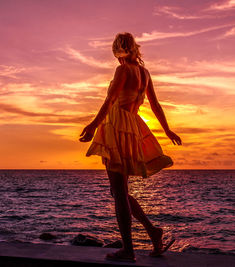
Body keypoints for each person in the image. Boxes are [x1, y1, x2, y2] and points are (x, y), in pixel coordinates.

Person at [79, 32, 182, 262]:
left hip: (117, 127)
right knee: (119, 191)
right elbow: (155, 105)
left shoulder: (123, 69)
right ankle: (152, 232)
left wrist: (93, 125)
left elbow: (109, 100)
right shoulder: (144, 73)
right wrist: (167, 130)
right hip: (132, 127)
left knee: (118, 192)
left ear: (119, 51)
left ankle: (128, 250)